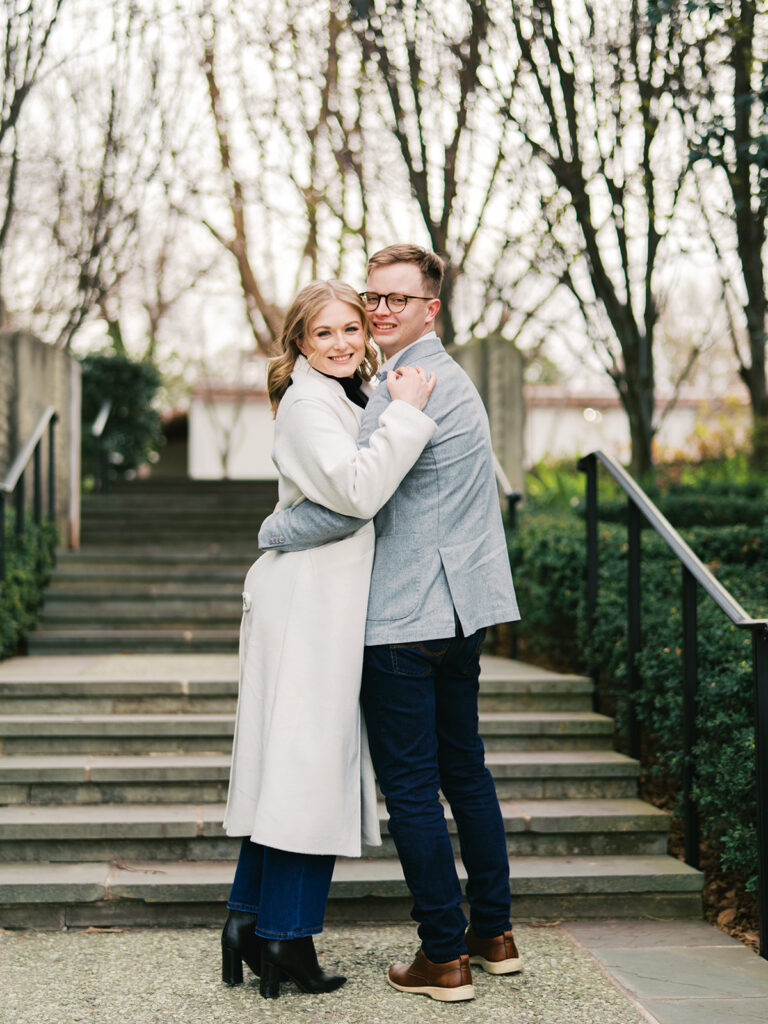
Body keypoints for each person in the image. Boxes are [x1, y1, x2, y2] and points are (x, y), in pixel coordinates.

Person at [257, 244, 522, 1003]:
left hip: (405, 617)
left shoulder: (409, 386)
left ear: (430, 309)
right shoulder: (451, 379)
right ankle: (493, 934)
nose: (379, 311)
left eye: (396, 299)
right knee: (464, 772)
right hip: (461, 611)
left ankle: (443, 956)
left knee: (411, 790)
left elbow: (355, 502)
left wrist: (274, 530)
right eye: (373, 296)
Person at [221, 279, 437, 1000]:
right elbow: (356, 493)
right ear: (300, 343)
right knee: (307, 771)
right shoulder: (310, 403)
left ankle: (247, 921)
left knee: (295, 764)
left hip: (321, 599)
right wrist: (407, 415)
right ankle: (286, 935)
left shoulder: (344, 393)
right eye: (325, 333)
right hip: (308, 604)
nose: (343, 343)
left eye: (352, 328)